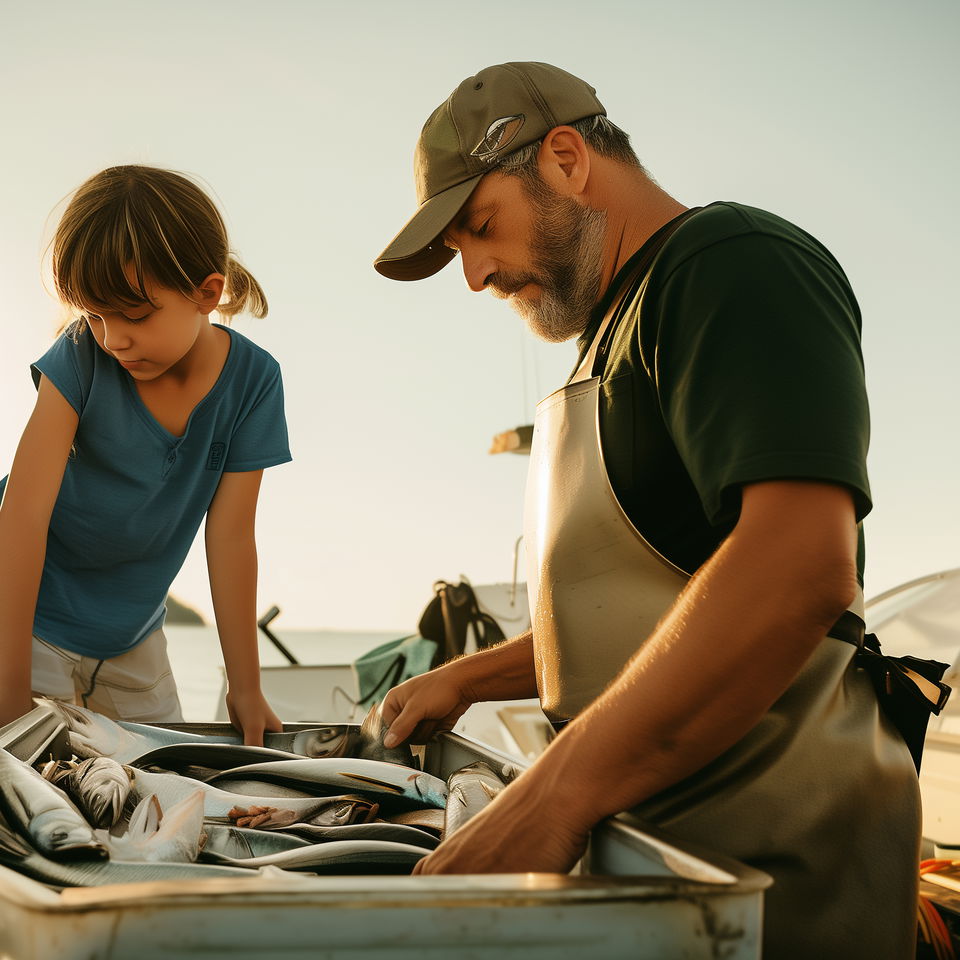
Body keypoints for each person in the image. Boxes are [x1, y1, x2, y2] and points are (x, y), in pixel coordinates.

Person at [373, 62, 921, 958]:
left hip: (775, 874)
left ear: (565, 159)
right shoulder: (608, 336)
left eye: (478, 228)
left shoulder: (731, 265)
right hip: (656, 855)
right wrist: (469, 678)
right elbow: (649, 615)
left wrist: (549, 799)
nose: (471, 275)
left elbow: (795, 569)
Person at [0, 165, 290, 745]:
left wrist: (246, 685)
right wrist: (8, 689)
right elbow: (23, 515)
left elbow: (231, 536)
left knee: (162, 787)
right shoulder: (80, 358)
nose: (113, 338)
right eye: (96, 315)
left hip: (135, 635)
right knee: (38, 796)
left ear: (207, 293)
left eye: (133, 316)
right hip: (27, 626)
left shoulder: (254, 381)